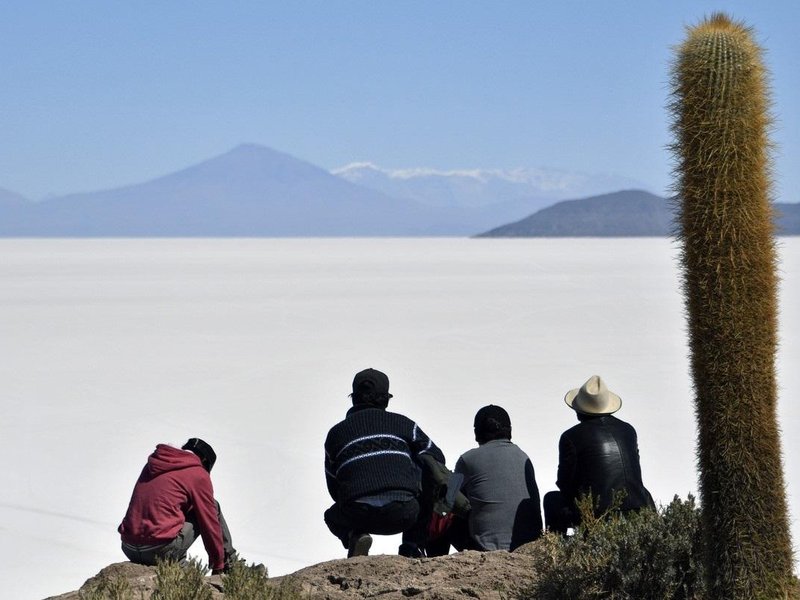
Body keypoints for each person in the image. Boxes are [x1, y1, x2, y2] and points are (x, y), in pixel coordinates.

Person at [324, 368, 446, 558]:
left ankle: (356, 537)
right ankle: (412, 545)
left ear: (353, 398)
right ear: (386, 399)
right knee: (431, 472)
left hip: (358, 514)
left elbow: (333, 488)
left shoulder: (335, 434)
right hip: (405, 512)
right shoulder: (404, 425)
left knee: (331, 516)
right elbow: (437, 458)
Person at [544, 375, 655, 534]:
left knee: (552, 500)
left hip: (600, 518)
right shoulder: (628, 430)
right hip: (638, 511)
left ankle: (559, 552)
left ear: (579, 410)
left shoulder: (571, 437)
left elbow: (564, 484)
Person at [118, 438, 236, 574]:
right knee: (212, 507)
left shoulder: (155, 463)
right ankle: (231, 564)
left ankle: (179, 566)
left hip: (128, 547)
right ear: (203, 461)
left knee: (175, 512)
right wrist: (218, 564)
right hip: (159, 551)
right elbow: (209, 521)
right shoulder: (197, 473)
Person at [449, 405, 543, 551]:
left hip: (484, 547)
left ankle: (431, 558)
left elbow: (448, 497)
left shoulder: (467, 459)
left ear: (476, 432)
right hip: (529, 544)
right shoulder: (523, 457)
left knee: (442, 508)